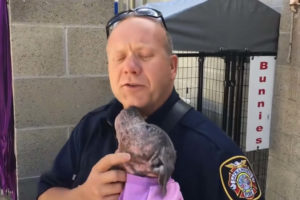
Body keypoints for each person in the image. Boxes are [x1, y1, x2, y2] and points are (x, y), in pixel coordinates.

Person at [37, 7, 262, 200]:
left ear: (172, 67)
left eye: (144, 55)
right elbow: (45, 192)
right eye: (118, 57)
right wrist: (82, 195)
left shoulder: (217, 153)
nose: (130, 67)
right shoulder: (90, 128)